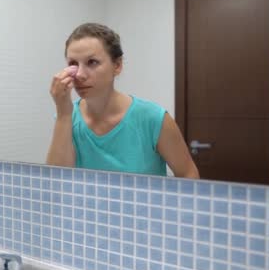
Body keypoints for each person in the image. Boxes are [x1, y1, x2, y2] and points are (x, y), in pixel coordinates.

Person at [46, 22, 199, 178]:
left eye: (92, 62)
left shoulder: (152, 119)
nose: (79, 75)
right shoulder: (67, 117)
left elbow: (189, 175)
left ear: (117, 65)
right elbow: (56, 184)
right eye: (73, 64)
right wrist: (63, 114)